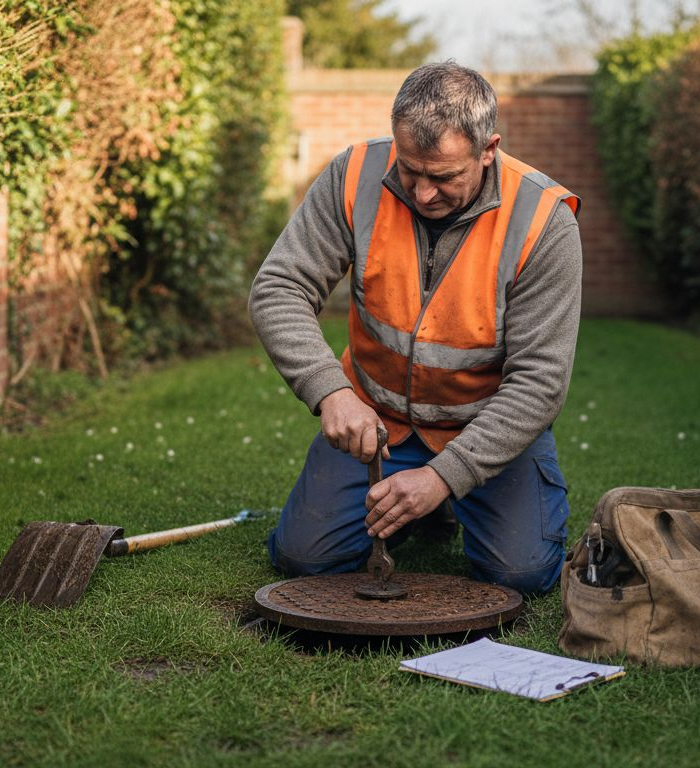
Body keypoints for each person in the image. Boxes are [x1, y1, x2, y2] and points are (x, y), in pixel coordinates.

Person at [248, 61, 582, 594]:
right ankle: (418, 509)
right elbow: (279, 287)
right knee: (302, 559)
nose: (423, 194)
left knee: (520, 575)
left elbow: (539, 384)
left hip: (484, 428)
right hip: (377, 424)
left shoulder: (545, 223)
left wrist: (443, 477)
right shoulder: (353, 175)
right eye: (410, 170)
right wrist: (330, 392)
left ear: (488, 149)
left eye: (444, 176)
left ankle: (440, 501)